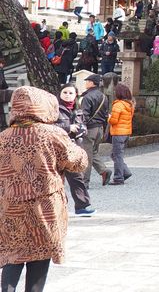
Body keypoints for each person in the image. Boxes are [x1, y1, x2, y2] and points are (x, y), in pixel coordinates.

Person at [0, 86, 88, 292]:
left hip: (10, 207)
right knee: (40, 255)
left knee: (13, 254)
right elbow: (78, 163)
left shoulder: (3, 137)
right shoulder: (52, 134)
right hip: (44, 207)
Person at [55, 84, 95, 216]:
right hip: (59, 149)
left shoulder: (78, 110)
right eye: (65, 92)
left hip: (75, 148)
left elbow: (83, 125)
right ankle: (57, 209)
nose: (67, 95)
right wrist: (68, 127)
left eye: (70, 93)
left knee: (77, 177)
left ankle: (82, 206)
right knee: (56, 180)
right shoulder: (54, 109)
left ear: (75, 95)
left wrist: (81, 129)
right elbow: (50, 126)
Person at [78, 73, 111, 187]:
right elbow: (106, 114)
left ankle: (84, 181)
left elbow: (84, 115)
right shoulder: (103, 96)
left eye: (87, 81)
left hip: (90, 129)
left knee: (87, 154)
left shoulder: (87, 97)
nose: (86, 83)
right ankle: (103, 171)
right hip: (100, 128)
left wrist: (81, 128)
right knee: (93, 151)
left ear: (92, 83)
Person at [108, 84, 134, 185]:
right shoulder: (129, 104)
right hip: (126, 132)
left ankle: (118, 178)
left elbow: (114, 121)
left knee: (117, 156)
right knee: (115, 155)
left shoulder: (118, 104)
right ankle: (125, 172)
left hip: (118, 133)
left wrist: (109, 118)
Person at [0, 59, 9, 132]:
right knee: (2, 109)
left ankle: (3, 123)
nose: (3, 66)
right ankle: (3, 124)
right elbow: (2, 80)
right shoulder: (1, 70)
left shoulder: (1, 70)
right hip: (1, 91)